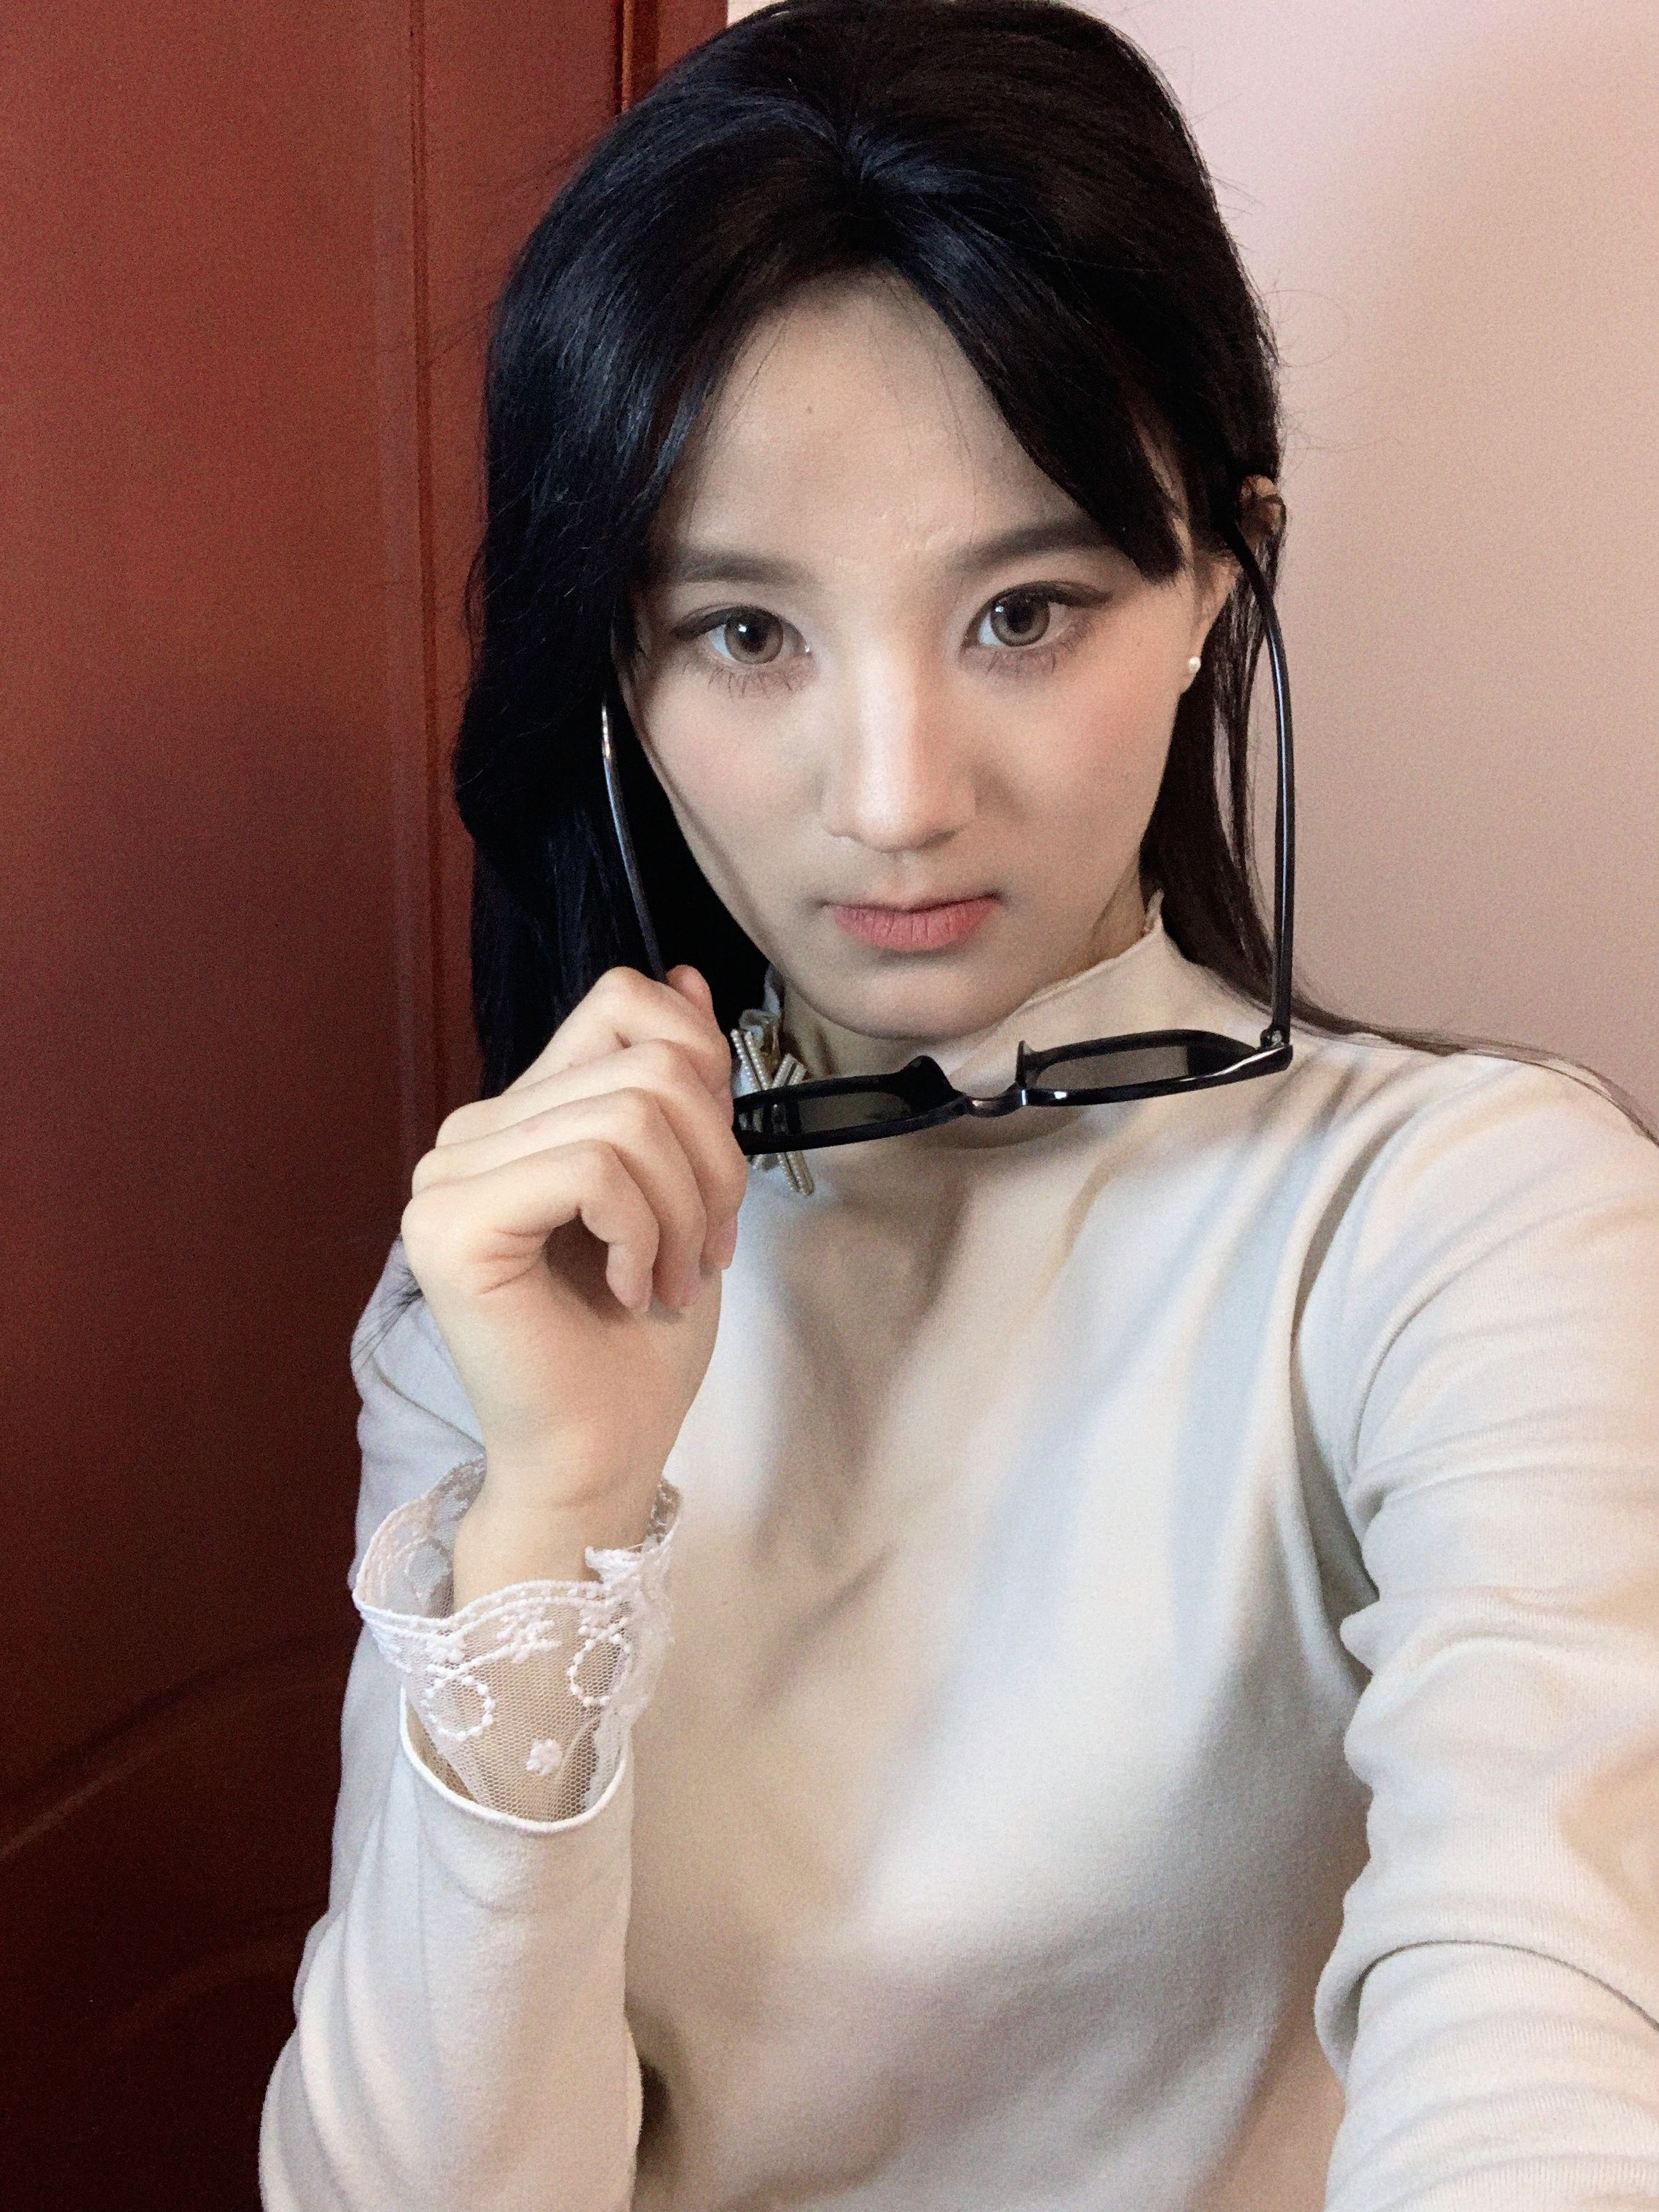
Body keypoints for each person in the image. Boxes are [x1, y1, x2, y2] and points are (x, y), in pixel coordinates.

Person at [260, 2, 1659, 2206]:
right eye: (745, 634)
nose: (898, 798)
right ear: (617, 662)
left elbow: (1542, 1990)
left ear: (1215, 576)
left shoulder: (1464, 1221)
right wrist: (557, 1510)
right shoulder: (517, 1295)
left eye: (1023, 610)